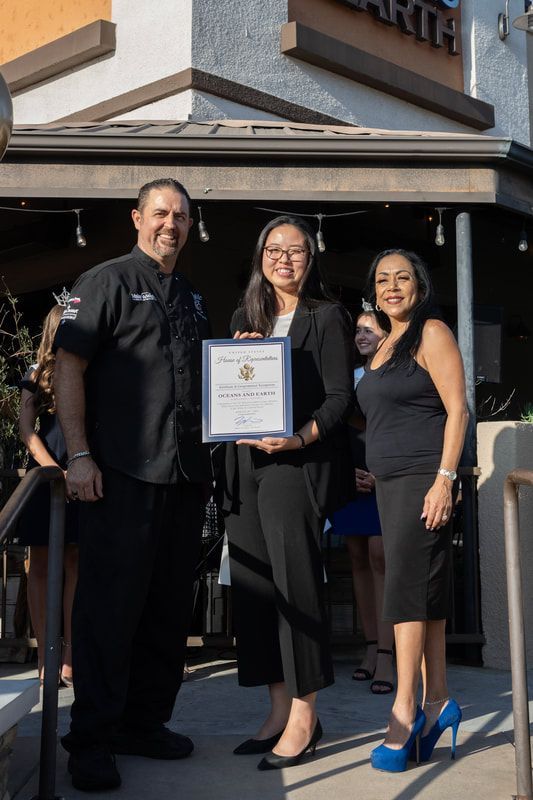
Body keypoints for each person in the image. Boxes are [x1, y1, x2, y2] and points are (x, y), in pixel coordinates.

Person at [53, 178, 213, 792]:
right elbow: (68, 366)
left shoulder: (193, 296)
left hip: (183, 476)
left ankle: (143, 723)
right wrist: (79, 456)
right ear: (137, 218)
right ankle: (91, 740)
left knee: (167, 611)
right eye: (161, 213)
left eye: (181, 216)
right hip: (120, 474)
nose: (171, 224)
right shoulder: (105, 281)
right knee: (108, 611)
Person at [223, 215, 354, 771]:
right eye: (274, 249)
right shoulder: (244, 317)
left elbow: (340, 398)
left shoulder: (327, 316)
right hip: (242, 464)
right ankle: (278, 709)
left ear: (310, 259)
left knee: (296, 585)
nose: (284, 258)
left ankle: (305, 714)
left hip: (292, 465)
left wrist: (298, 437)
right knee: (255, 590)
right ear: (260, 257)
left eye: (295, 250)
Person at [356, 249, 468, 772]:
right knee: (423, 593)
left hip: (424, 481)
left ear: (419, 286)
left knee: (404, 595)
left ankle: (404, 710)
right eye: (383, 280)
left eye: (403, 278)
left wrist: (445, 479)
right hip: (389, 485)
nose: (392, 287)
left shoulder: (432, 332)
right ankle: (438, 701)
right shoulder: (385, 344)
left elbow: (458, 410)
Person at [332, 308, 394, 694]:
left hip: (387, 477)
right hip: (350, 479)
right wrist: (345, 473)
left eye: (370, 329)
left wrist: (381, 472)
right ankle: (370, 649)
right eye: (358, 330)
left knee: (380, 555)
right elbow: (336, 430)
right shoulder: (348, 378)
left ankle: (387, 654)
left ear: (388, 335)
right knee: (356, 556)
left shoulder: (397, 376)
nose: (361, 335)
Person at [18, 304, 79, 688]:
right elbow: (26, 428)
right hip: (45, 473)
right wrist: (54, 469)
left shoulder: (89, 369)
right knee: (38, 562)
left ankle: (71, 654)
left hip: (82, 468)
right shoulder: (35, 373)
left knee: (76, 559)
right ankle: (45, 654)